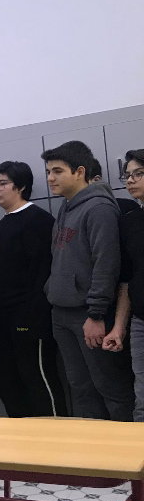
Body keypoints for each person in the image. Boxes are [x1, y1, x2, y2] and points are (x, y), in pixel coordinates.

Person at [44, 140, 134, 420]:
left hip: (89, 314)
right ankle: (92, 446)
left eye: (58, 171)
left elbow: (107, 264)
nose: (50, 178)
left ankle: (125, 445)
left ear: (80, 171)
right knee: (81, 389)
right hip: (62, 312)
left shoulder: (99, 208)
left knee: (110, 387)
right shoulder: (66, 206)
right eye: (48, 171)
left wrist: (96, 314)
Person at [0, 161, 67, 417]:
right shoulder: (3, 225)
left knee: (37, 374)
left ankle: (55, 430)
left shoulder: (37, 220)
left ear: (21, 186)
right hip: (5, 311)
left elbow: (43, 272)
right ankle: (24, 426)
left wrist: (34, 315)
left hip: (31, 312)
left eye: (3, 184)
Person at [106, 150, 144, 421]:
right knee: (142, 402)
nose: (130, 180)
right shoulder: (130, 221)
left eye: (138, 174)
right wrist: (119, 327)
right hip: (140, 321)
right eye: (127, 175)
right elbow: (127, 280)